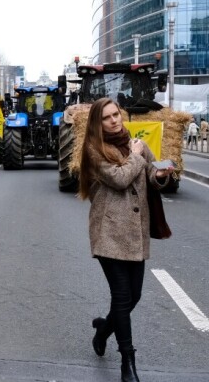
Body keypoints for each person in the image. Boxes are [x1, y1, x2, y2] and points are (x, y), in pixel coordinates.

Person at [78, 98, 170, 382]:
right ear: (98, 122)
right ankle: (127, 362)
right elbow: (119, 178)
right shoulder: (94, 150)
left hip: (135, 232)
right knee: (122, 296)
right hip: (110, 231)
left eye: (116, 114)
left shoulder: (134, 143)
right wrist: (136, 155)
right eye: (107, 117)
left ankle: (104, 329)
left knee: (135, 296)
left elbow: (150, 175)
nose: (114, 120)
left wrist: (161, 175)